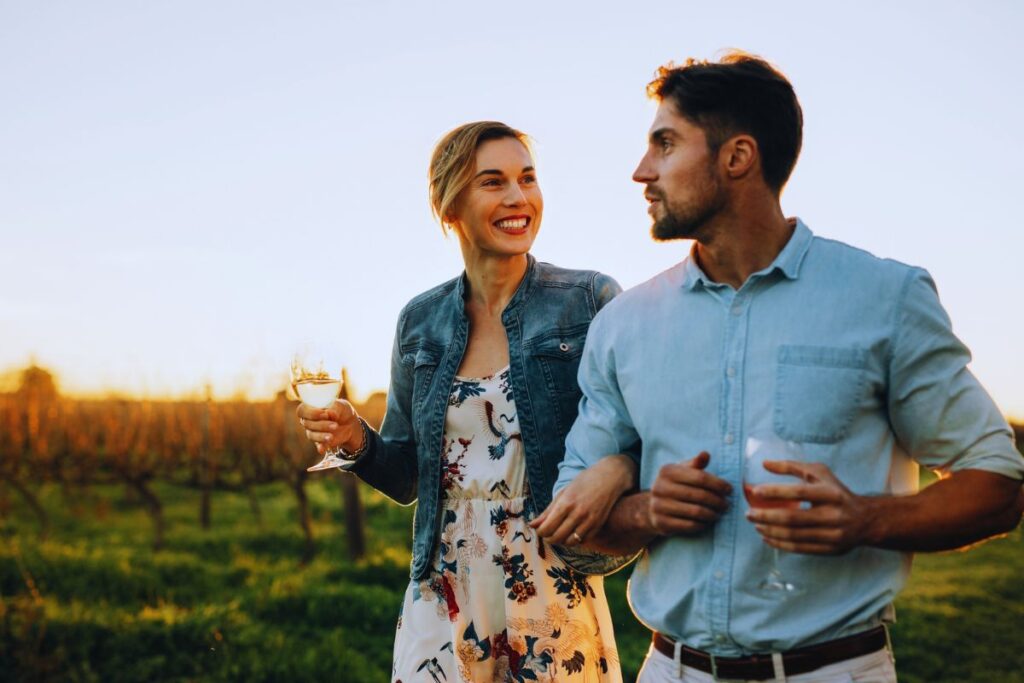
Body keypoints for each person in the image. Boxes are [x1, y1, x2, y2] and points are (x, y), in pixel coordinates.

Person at [536, 52, 1024, 682]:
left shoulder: (884, 298)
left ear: (737, 157)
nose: (641, 172)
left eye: (665, 144)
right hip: (670, 671)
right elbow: (574, 521)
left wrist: (867, 519)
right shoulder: (625, 324)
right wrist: (646, 512)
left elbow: (998, 483)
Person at [296, 121, 634, 682]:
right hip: (443, 581)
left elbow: (637, 439)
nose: (518, 197)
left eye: (527, 178)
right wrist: (356, 440)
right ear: (449, 204)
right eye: (493, 182)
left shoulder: (588, 301)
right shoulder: (420, 321)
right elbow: (407, 476)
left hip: (548, 578)